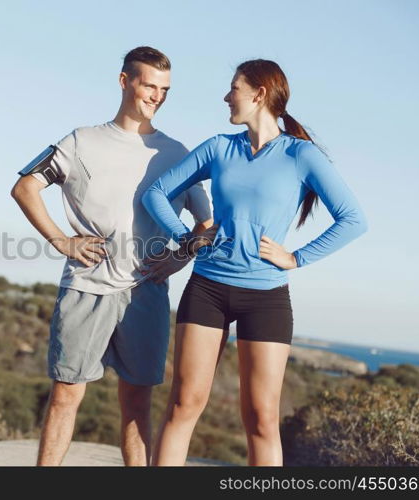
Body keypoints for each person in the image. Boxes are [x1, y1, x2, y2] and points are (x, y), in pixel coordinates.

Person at [142, 59, 368, 466]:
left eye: (234, 88)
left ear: (259, 94)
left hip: (266, 297)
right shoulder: (219, 147)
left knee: (261, 419)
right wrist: (186, 238)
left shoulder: (302, 155)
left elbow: (353, 220)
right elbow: (156, 192)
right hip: (207, 289)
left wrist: (297, 257)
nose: (227, 97)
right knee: (184, 404)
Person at [11, 46, 215, 466]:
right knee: (66, 395)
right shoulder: (81, 141)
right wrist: (61, 241)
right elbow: (24, 188)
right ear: (125, 81)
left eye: (165, 89)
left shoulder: (177, 154)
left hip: (146, 292)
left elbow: (207, 224)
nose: (156, 96)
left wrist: (179, 259)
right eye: (149, 85)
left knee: (137, 402)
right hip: (85, 286)